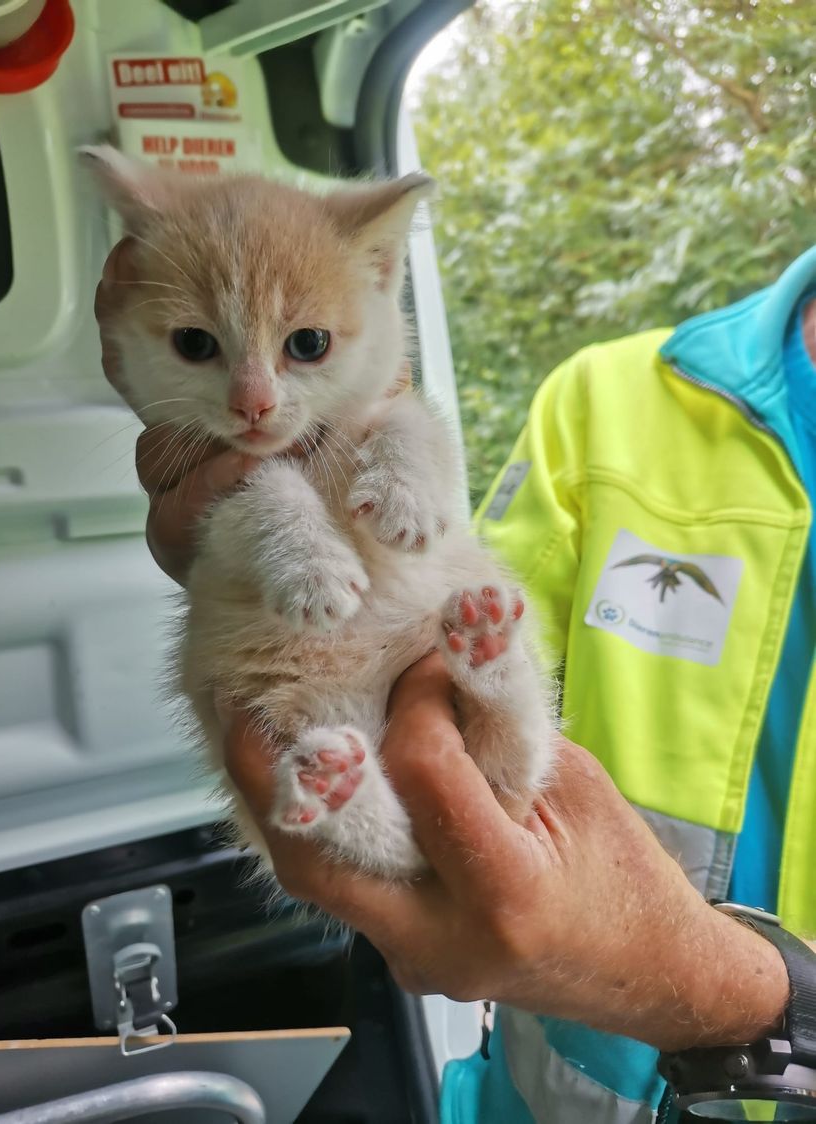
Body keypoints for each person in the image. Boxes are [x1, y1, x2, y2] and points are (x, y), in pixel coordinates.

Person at [96, 240, 816, 1123]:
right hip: (544, 1095)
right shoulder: (607, 397)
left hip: (687, 1048)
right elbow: (434, 600)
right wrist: (283, 572)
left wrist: (731, 992)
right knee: (478, 713)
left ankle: (367, 791)